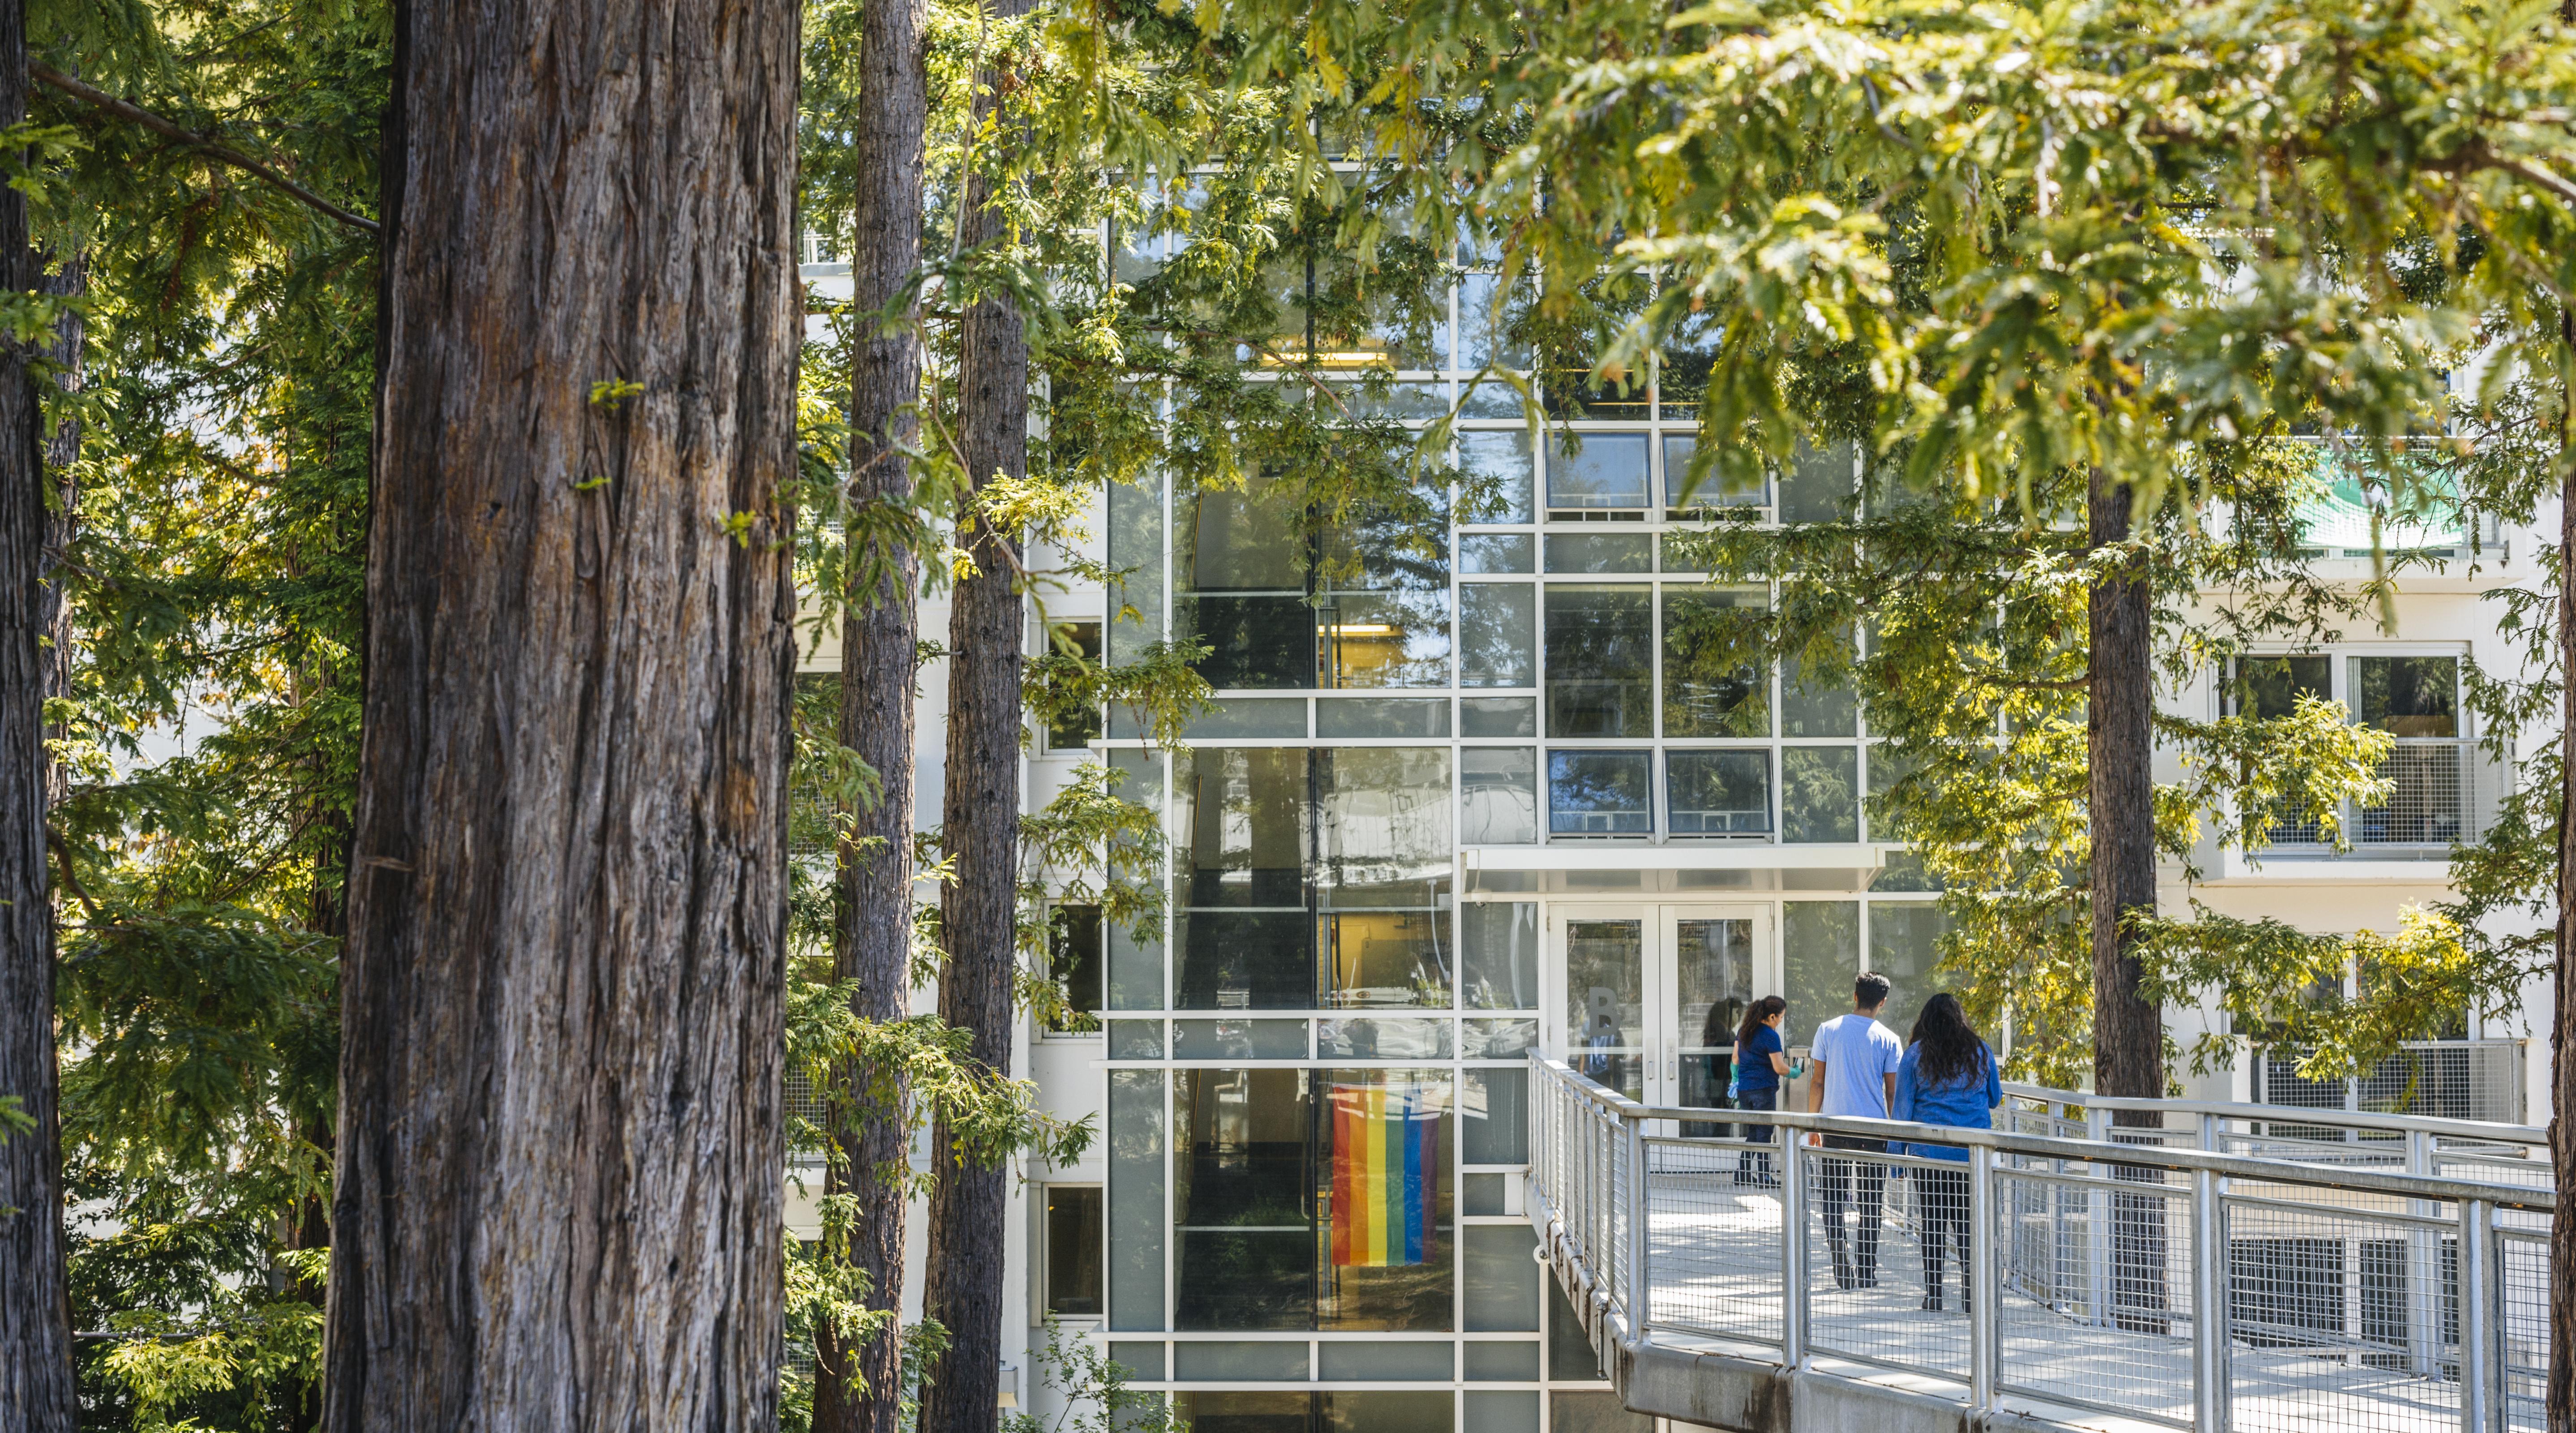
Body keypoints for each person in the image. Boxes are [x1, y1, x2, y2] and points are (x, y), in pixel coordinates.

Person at [1893, 992, 2004, 1312]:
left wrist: (1896, 1163)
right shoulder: (1981, 1051)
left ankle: (1934, 1295)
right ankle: (1971, 1297)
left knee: (1933, 1224)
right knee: (1968, 1227)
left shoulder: (1915, 1055)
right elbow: (1995, 1098)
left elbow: (1902, 1111)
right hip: (1973, 1157)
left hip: (1928, 1157)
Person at [1807, 971, 1903, 1290]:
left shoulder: (1828, 1030)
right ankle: (1866, 1270)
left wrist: (1813, 1123)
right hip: (1874, 1130)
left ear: (1855, 995)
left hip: (1834, 1126)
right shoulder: (1889, 1039)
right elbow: (1892, 1092)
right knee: (1871, 1203)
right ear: (1883, 1003)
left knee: (1832, 1200)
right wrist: (1894, 1131)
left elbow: (1817, 1081)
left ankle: (1840, 1265)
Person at [1730, 995, 1791, 1186]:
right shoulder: (1770, 1036)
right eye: (1780, 1018)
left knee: (1754, 1132)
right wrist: (1795, 1071)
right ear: (1772, 1017)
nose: (1780, 1022)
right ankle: (1765, 1177)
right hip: (1763, 1090)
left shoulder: (1745, 1031)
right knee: (1764, 1133)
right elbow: (1780, 1068)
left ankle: (1743, 1173)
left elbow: (1735, 1060)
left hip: (1745, 1091)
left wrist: (1736, 1079)